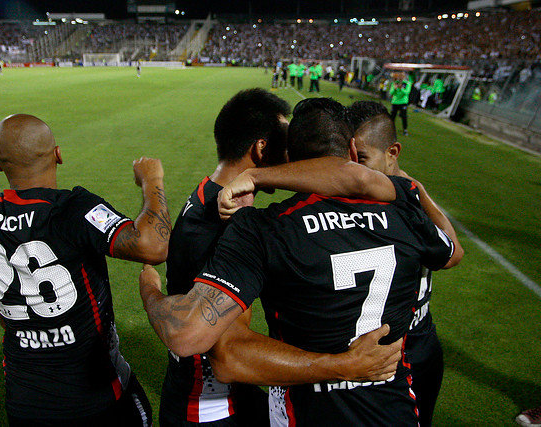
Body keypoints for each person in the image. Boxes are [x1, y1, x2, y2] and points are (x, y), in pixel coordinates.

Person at [140, 97, 461, 426]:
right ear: (352, 150)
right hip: (394, 410)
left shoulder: (261, 227)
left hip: (298, 410)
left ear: (291, 157)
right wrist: (411, 188)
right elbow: (453, 252)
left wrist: (150, 291)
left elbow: (223, 351)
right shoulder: (404, 205)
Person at [0, 114, 170, 426]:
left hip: (24, 400)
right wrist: (151, 180)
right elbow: (154, 246)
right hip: (95, 397)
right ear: (58, 155)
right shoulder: (73, 208)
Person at [348, 100, 464, 426]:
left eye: (363, 159)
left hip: (418, 344)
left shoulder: (406, 204)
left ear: (392, 152)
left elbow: (453, 254)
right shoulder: (368, 197)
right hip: (372, 351)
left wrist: (417, 191)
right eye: (350, 159)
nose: (355, 169)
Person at [389, 72, 412, 136]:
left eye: (402, 76)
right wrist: (395, 88)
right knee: (392, 116)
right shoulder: (395, 83)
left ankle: (405, 130)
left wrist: (401, 88)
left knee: (404, 116)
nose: (400, 78)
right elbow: (391, 92)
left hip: (403, 102)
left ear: (404, 77)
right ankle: (390, 129)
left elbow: (407, 92)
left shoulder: (407, 84)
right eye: (400, 76)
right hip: (395, 102)